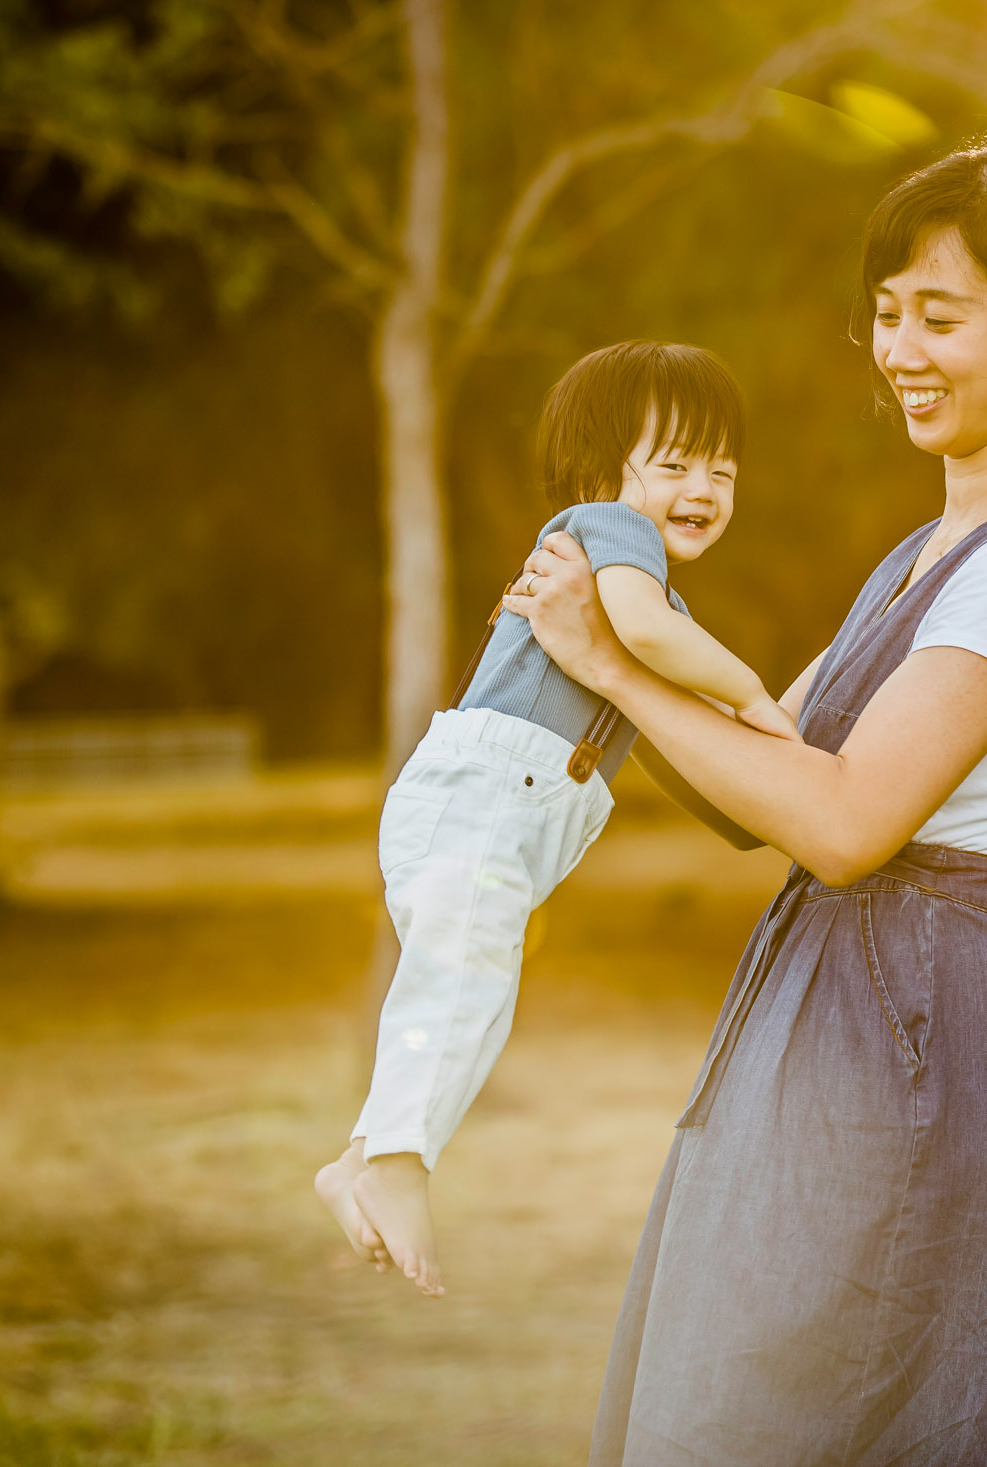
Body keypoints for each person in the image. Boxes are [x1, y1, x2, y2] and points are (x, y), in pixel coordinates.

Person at [504, 133, 987, 1464]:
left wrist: (609, 655)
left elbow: (847, 822)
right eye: (884, 312)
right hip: (828, 1022)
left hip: (907, 1039)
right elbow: (763, 774)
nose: (898, 347)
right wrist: (601, 647)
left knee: (796, 1415)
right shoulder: (931, 551)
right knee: (723, 1406)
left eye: (941, 314)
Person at [315, 340, 800, 1298]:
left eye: (722, 469)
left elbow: (690, 749)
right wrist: (752, 691)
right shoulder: (611, 532)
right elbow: (656, 640)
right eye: (674, 464)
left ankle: (365, 1150)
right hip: (487, 795)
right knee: (464, 977)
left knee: (470, 989)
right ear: (605, 472)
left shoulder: (647, 578)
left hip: (503, 812)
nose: (702, 486)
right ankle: (400, 1164)